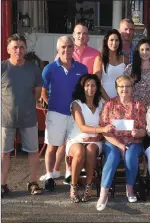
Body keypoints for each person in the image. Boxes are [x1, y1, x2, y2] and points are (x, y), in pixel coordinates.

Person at [41, 36, 88, 192]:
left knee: (71, 146)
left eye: (69, 46)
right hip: (56, 114)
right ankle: (49, 176)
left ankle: (69, 173)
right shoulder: (49, 69)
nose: (66, 50)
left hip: (75, 115)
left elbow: (84, 92)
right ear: (58, 49)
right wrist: (52, 107)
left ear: (73, 48)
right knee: (52, 146)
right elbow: (43, 92)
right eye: (63, 47)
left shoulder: (82, 69)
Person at [1, 34, 43, 196]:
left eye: (22, 47)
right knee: (4, 153)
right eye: (15, 47)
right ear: (8, 49)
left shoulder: (33, 68)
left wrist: (30, 105)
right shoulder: (2, 68)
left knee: (33, 151)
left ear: (25, 49)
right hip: (5, 119)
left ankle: (33, 182)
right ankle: (2, 184)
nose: (18, 50)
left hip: (29, 118)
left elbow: (38, 91)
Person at [96, 76, 146, 211]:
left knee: (130, 157)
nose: (125, 89)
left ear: (132, 88)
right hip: (113, 141)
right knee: (112, 157)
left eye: (128, 86)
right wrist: (120, 146)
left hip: (133, 141)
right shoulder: (109, 104)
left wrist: (138, 132)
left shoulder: (138, 105)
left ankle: (129, 189)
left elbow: (145, 130)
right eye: (121, 86)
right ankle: (104, 193)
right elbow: (104, 130)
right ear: (117, 89)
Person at [66, 74, 107, 203]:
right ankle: (73, 186)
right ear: (82, 87)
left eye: (93, 85)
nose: (90, 88)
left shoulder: (101, 103)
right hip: (77, 138)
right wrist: (101, 131)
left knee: (90, 151)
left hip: (95, 140)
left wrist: (100, 136)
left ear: (97, 88)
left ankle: (89, 186)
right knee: (79, 152)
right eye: (87, 85)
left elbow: (105, 125)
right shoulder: (76, 104)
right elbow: (82, 127)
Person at [123, 39, 150, 107]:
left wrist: (149, 107)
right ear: (138, 52)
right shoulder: (130, 68)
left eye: (147, 49)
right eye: (142, 50)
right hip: (133, 107)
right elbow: (126, 88)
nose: (144, 52)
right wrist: (136, 107)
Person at [93, 29, 126, 101]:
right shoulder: (100, 58)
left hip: (121, 100)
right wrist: (109, 101)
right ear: (106, 41)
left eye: (117, 40)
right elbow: (96, 82)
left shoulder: (124, 58)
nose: (114, 43)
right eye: (111, 40)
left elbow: (128, 80)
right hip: (104, 100)